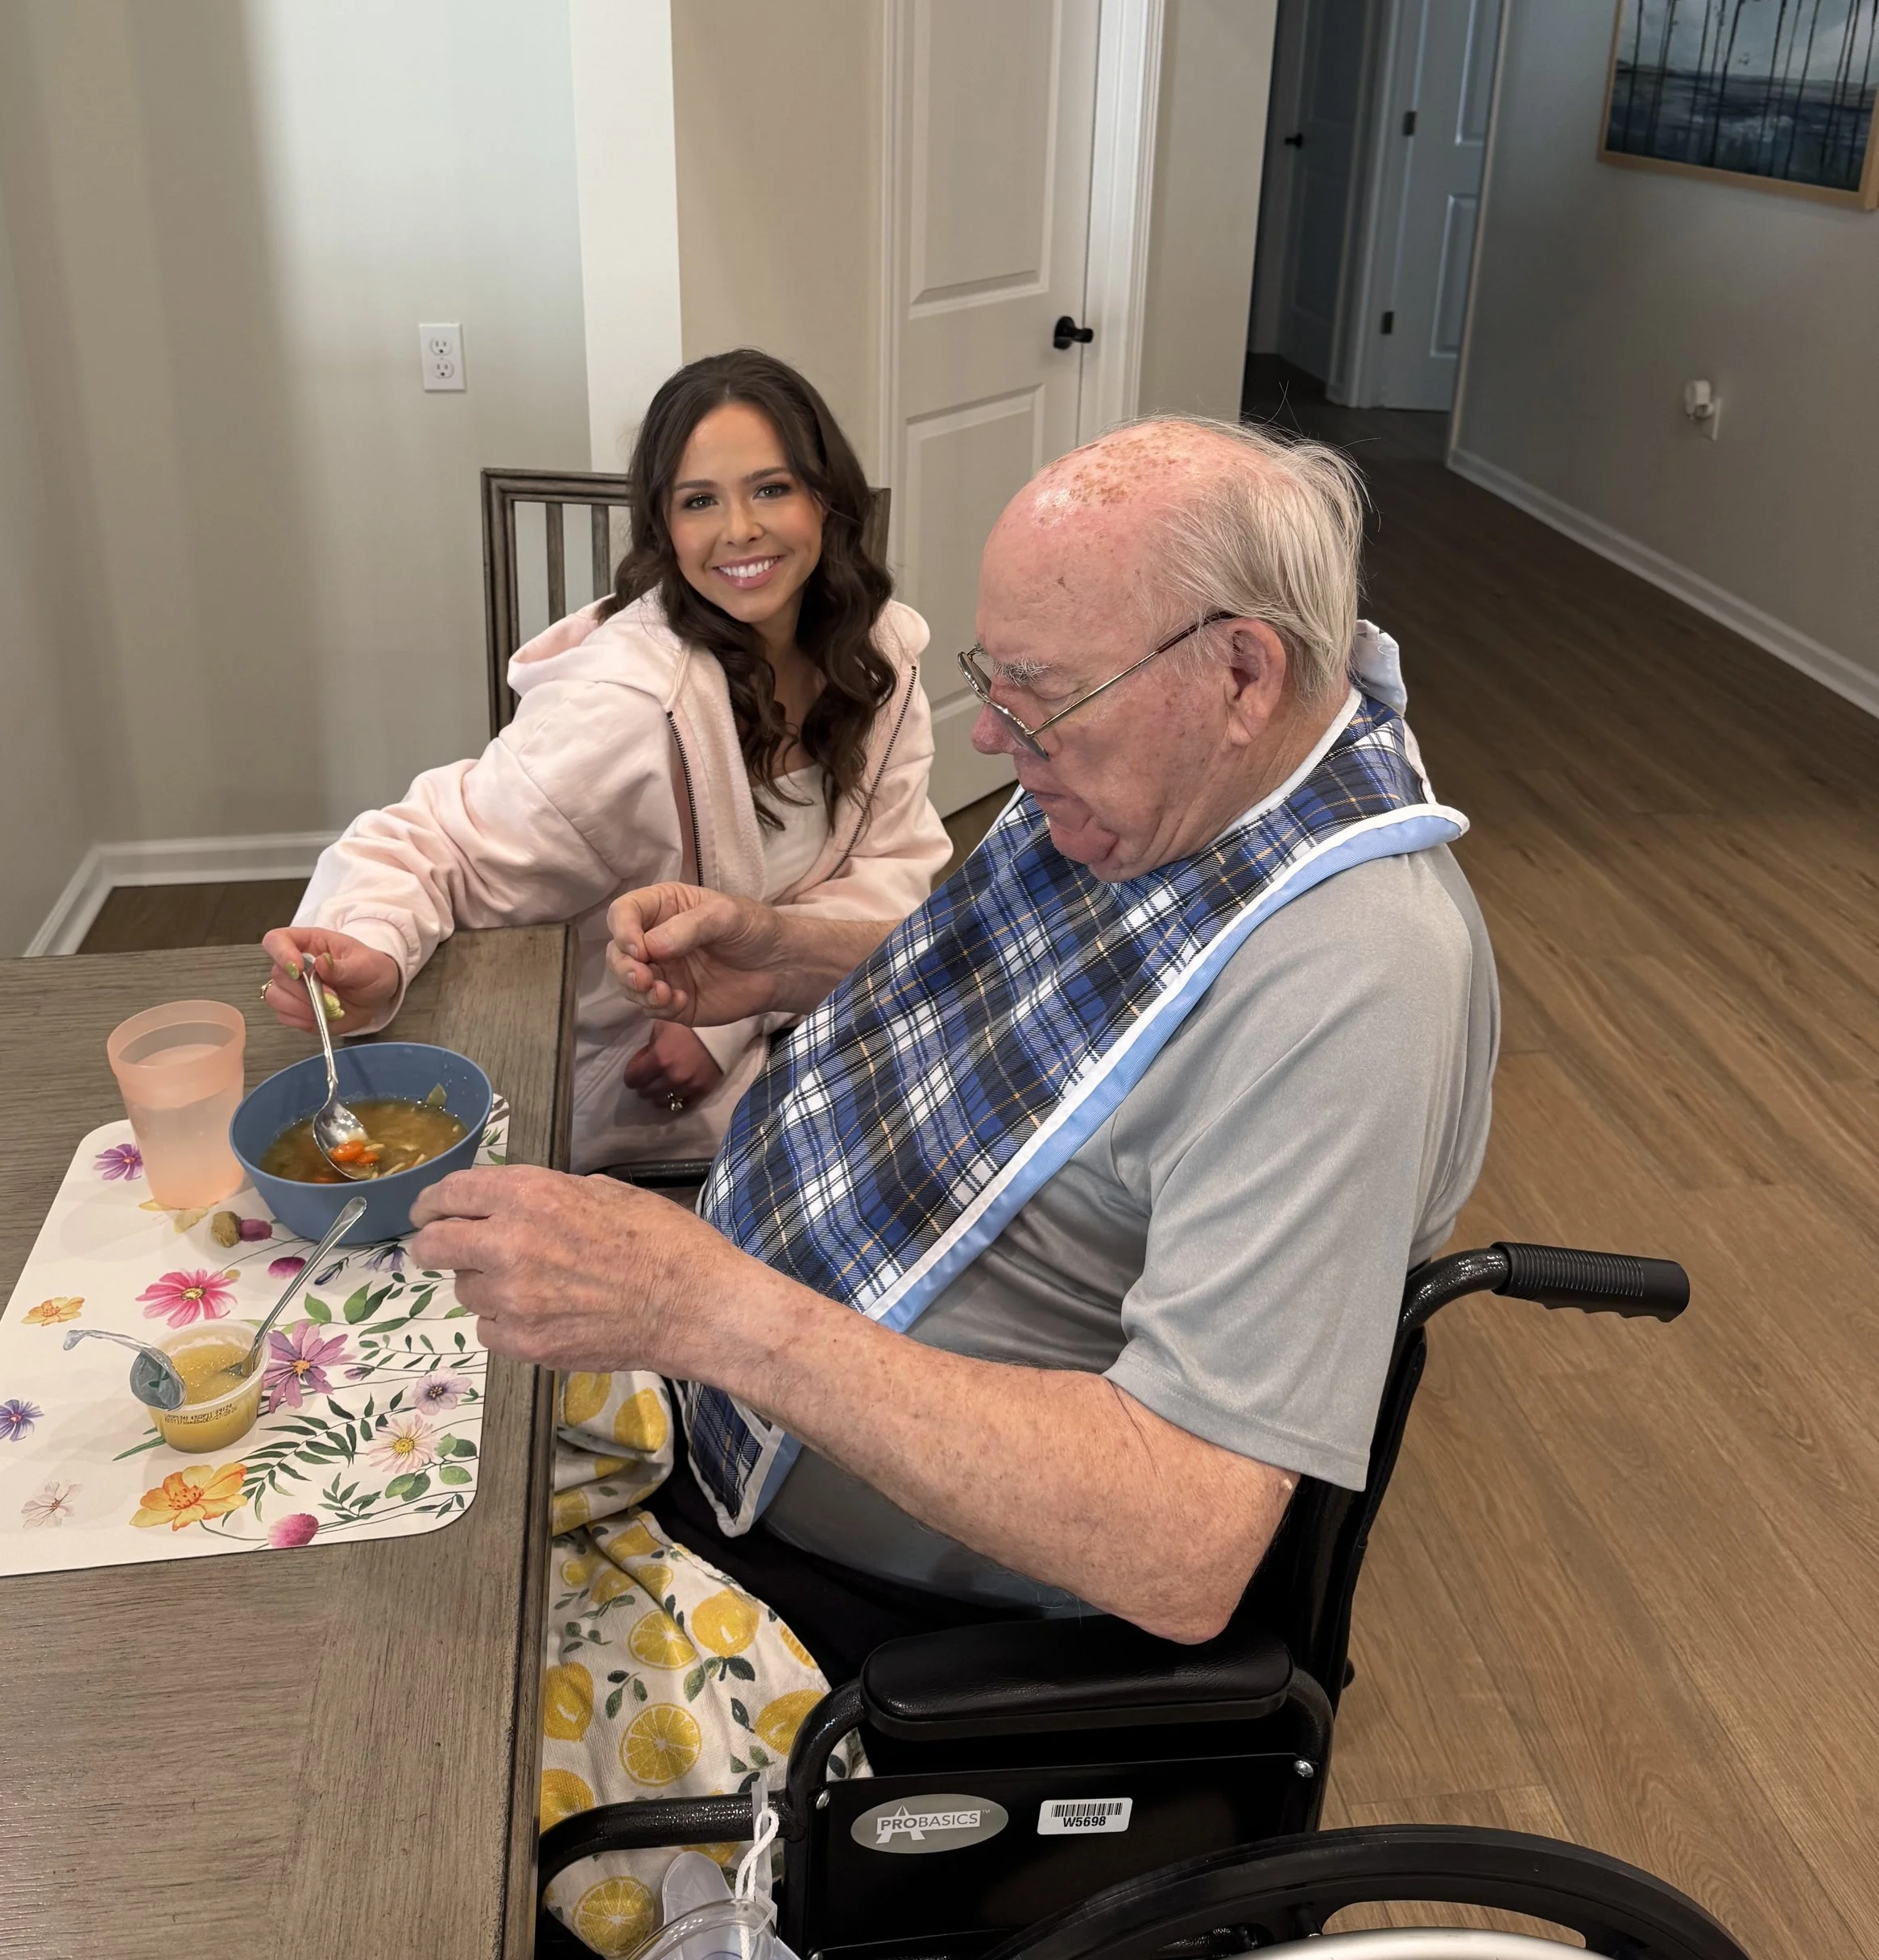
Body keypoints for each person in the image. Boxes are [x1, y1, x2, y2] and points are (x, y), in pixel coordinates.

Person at [410, 414, 1498, 1663]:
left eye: (1043, 693)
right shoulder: (1174, 783)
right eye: (997, 679)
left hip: (885, 1585)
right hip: (732, 1356)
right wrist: (787, 953)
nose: (992, 737)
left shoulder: (1357, 982)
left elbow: (1183, 1542)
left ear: (1244, 675)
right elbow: (1065, 1000)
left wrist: (703, 1309)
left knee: (420, 1662)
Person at [263, 351, 949, 1171]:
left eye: (772, 488)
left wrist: (731, 1018)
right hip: (618, 1097)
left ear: (828, 497)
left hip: (800, 1026)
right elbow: (429, 845)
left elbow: (892, 864)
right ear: (664, 526)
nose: (739, 529)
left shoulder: (878, 655)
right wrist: (370, 948)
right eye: (700, 501)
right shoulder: (619, 711)